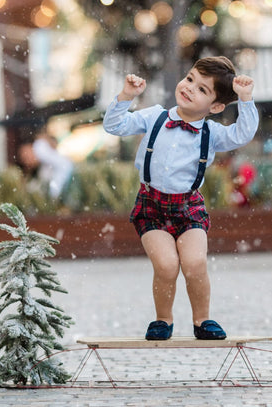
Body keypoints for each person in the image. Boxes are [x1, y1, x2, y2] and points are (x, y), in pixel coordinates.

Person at [103, 56, 258, 340]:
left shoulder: (211, 134)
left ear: (216, 107)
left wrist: (245, 100)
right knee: (166, 265)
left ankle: (202, 320)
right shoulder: (155, 117)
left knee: (195, 263)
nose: (189, 88)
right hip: (151, 206)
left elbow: (241, 134)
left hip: (189, 208)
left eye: (202, 89)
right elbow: (114, 126)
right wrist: (126, 96)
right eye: (189, 79)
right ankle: (163, 319)